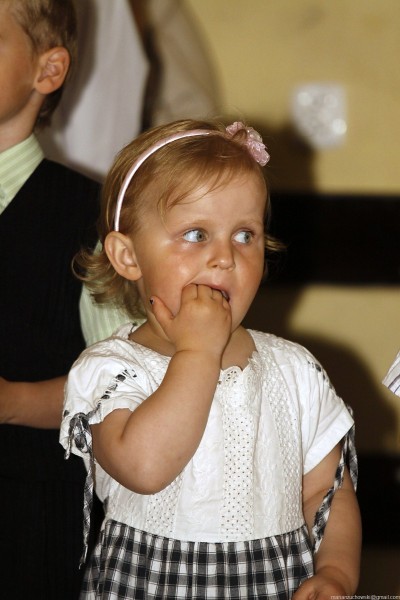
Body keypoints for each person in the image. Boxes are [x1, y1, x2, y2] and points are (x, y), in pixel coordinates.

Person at [60, 118, 361, 598]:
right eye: (197, 234)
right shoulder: (111, 367)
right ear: (128, 257)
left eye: (245, 235)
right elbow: (145, 467)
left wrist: (336, 572)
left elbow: (327, 489)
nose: (225, 257)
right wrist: (198, 350)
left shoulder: (294, 369)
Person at [0, 1, 125, 597]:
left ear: (47, 71)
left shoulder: (91, 222)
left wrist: (12, 402)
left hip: (30, 522)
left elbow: (126, 385)